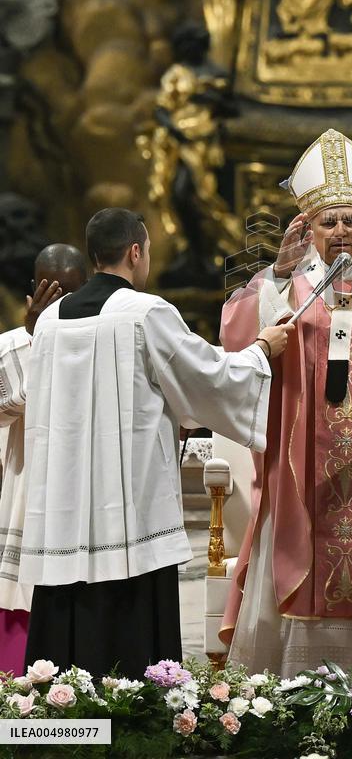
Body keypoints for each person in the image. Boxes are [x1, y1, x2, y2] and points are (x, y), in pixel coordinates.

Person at [19, 208, 292, 677]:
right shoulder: (146, 313)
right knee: (129, 635)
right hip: (128, 506)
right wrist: (262, 349)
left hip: (65, 504)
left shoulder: (48, 323)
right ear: (135, 252)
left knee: (67, 627)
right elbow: (207, 376)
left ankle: (60, 708)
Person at [219, 128, 352, 682]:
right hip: (304, 470)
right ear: (309, 228)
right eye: (328, 222)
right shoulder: (286, 287)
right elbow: (237, 337)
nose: (341, 231)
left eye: (351, 220)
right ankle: (289, 686)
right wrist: (277, 271)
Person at [0, 245, 87, 674]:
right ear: (33, 292)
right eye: (52, 292)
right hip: (28, 491)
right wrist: (38, 339)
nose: (60, 303)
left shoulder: (100, 342)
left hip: (84, 495)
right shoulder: (11, 346)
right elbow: (5, 406)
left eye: (71, 293)